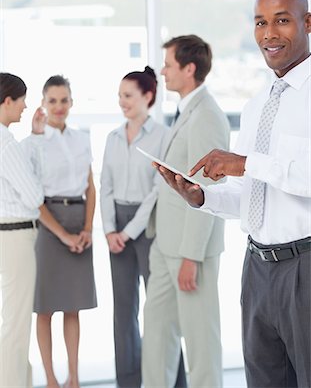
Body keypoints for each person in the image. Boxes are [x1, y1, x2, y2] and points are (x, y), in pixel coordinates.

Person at [153, 0, 311, 388]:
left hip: (304, 271)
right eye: (260, 22)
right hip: (257, 270)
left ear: (308, 23)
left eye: (282, 21)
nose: (269, 34)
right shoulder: (256, 105)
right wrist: (202, 196)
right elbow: (251, 195)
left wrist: (245, 163)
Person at [142, 36, 230, 388]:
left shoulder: (207, 115)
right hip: (166, 245)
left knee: (200, 342)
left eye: (168, 64)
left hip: (190, 251)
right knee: (157, 334)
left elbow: (207, 191)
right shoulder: (186, 111)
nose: (162, 71)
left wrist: (192, 256)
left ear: (189, 69)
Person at [100, 66, 187, 388]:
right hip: (116, 229)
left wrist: (128, 232)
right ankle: (129, 382)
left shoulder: (164, 136)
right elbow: (104, 184)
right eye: (120, 96)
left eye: (128, 95)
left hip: (149, 227)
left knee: (160, 313)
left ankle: (174, 382)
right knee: (123, 313)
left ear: (147, 96)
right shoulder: (111, 137)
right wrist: (110, 229)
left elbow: (158, 190)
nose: (122, 102)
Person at [26, 75, 97, 388]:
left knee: (73, 305)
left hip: (78, 219)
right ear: (43, 103)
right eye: (52, 100)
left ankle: (74, 378)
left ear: (71, 102)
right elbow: (34, 198)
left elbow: (90, 186)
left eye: (64, 100)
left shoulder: (82, 138)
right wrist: (63, 235)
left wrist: (87, 229)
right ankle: (51, 380)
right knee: (45, 307)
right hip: (48, 223)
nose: (58, 107)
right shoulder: (34, 143)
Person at [0, 72, 45, 387]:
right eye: (21, 100)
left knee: (9, 322)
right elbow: (34, 196)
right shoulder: (5, 141)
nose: (26, 106)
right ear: (6, 101)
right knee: (15, 326)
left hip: (6, 237)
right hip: (15, 237)